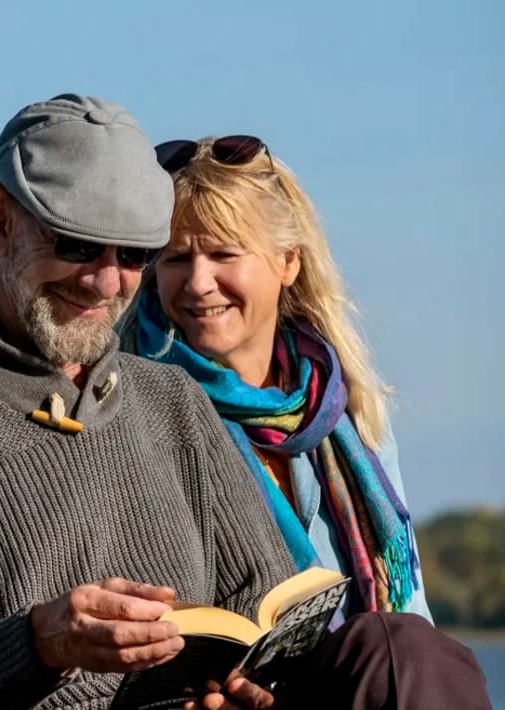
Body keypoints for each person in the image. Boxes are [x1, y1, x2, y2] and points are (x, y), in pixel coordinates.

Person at [0, 97, 490, 710]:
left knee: (401, 650)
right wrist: (40, 643)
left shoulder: (171, 398)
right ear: (0, 219)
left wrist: (245, 690)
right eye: (76, 244)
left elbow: (268, 617)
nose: (107, 281)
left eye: (136, 254)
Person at [120, 135, 432, 622]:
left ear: (289, 261)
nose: (199, 282)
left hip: (360, 677)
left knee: (413, 651)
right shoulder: (129, 410)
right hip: (222, 687)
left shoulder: (348, 411)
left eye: (224, 255)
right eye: (177, 259)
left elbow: (410, 608)